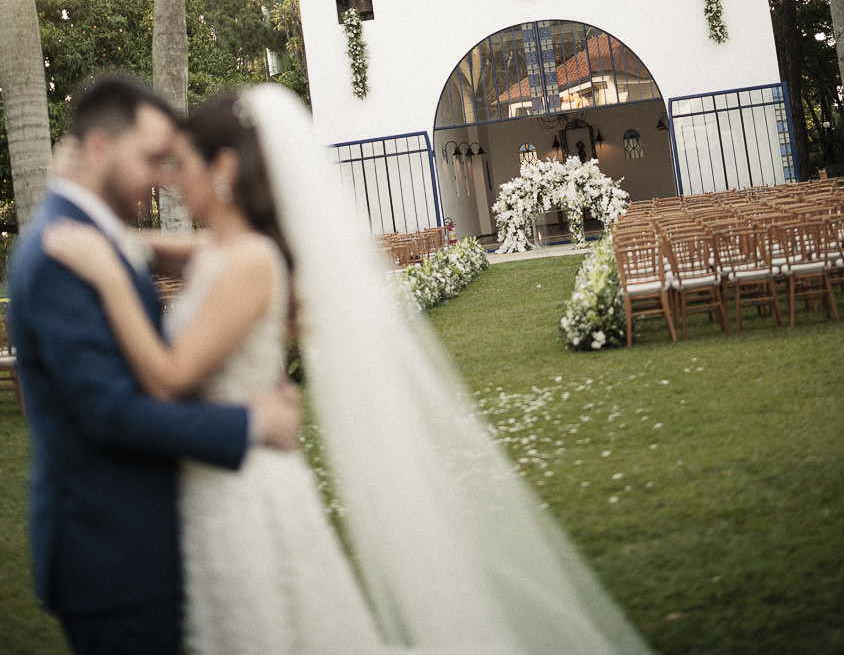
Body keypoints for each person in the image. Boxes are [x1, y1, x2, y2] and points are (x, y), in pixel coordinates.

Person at [45, 83, 653, 655]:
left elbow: (173, 375)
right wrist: (122, 235)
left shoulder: (248, 262)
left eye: (180, 164)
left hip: (245, 491)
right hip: (218, 479)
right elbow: (201, 253)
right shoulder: (227, 252)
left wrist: (108, 275)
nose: (168, 180)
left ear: (223, 169)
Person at [8, 75, 300, 655]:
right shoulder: (61, 255)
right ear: (99, 149)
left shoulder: (98, 236)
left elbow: (231, 255)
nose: (163, 176)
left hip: (153, 535)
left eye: (174, 161)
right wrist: (252, 423)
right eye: (151, 159)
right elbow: (112, 412)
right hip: (111, 553)